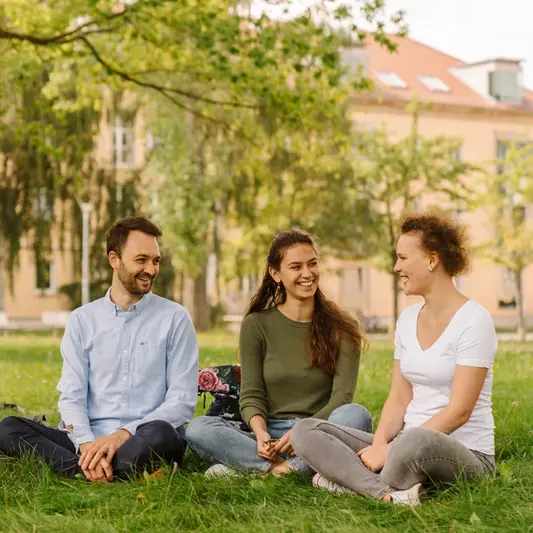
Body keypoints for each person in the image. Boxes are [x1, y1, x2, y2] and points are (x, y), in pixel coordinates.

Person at [291, 212, 497, 505]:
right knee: (305, 430)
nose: (396, 267)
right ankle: (388, 494)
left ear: (432, 260)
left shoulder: (474, 320)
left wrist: (390, 450)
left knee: (414, 439)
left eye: (402, 258)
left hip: (462, 452)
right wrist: (378, 444)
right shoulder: (407, 319)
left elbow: (459, 411)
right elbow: (400, 397)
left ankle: (346, 481)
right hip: (403, 447)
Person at [0, 216, 199, 482]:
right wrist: (86, 444)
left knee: (163, 434)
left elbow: (181, 402)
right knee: (9, 428)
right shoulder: (83, 319)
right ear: (114, 259)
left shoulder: (175, 318)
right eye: (141, 260)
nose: (151, 270)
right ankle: (94, 468)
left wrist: (120, 436)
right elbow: (72, 396)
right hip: (88, 438)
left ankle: (82, 470)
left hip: (141, 437)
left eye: (156, 261)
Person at [186, 228, 372, 477]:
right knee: (198, 428)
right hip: (269, 433)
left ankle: (263, 471)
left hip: (319, 429)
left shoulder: (343, 327)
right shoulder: (257, 324)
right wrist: (261, 434)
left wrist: (301, 433)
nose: (307, 273)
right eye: (296, 267)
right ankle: (293, 468)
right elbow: (251, 393)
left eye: (312, 264)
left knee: (355, 415)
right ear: (276, 273)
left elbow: (341, 398)